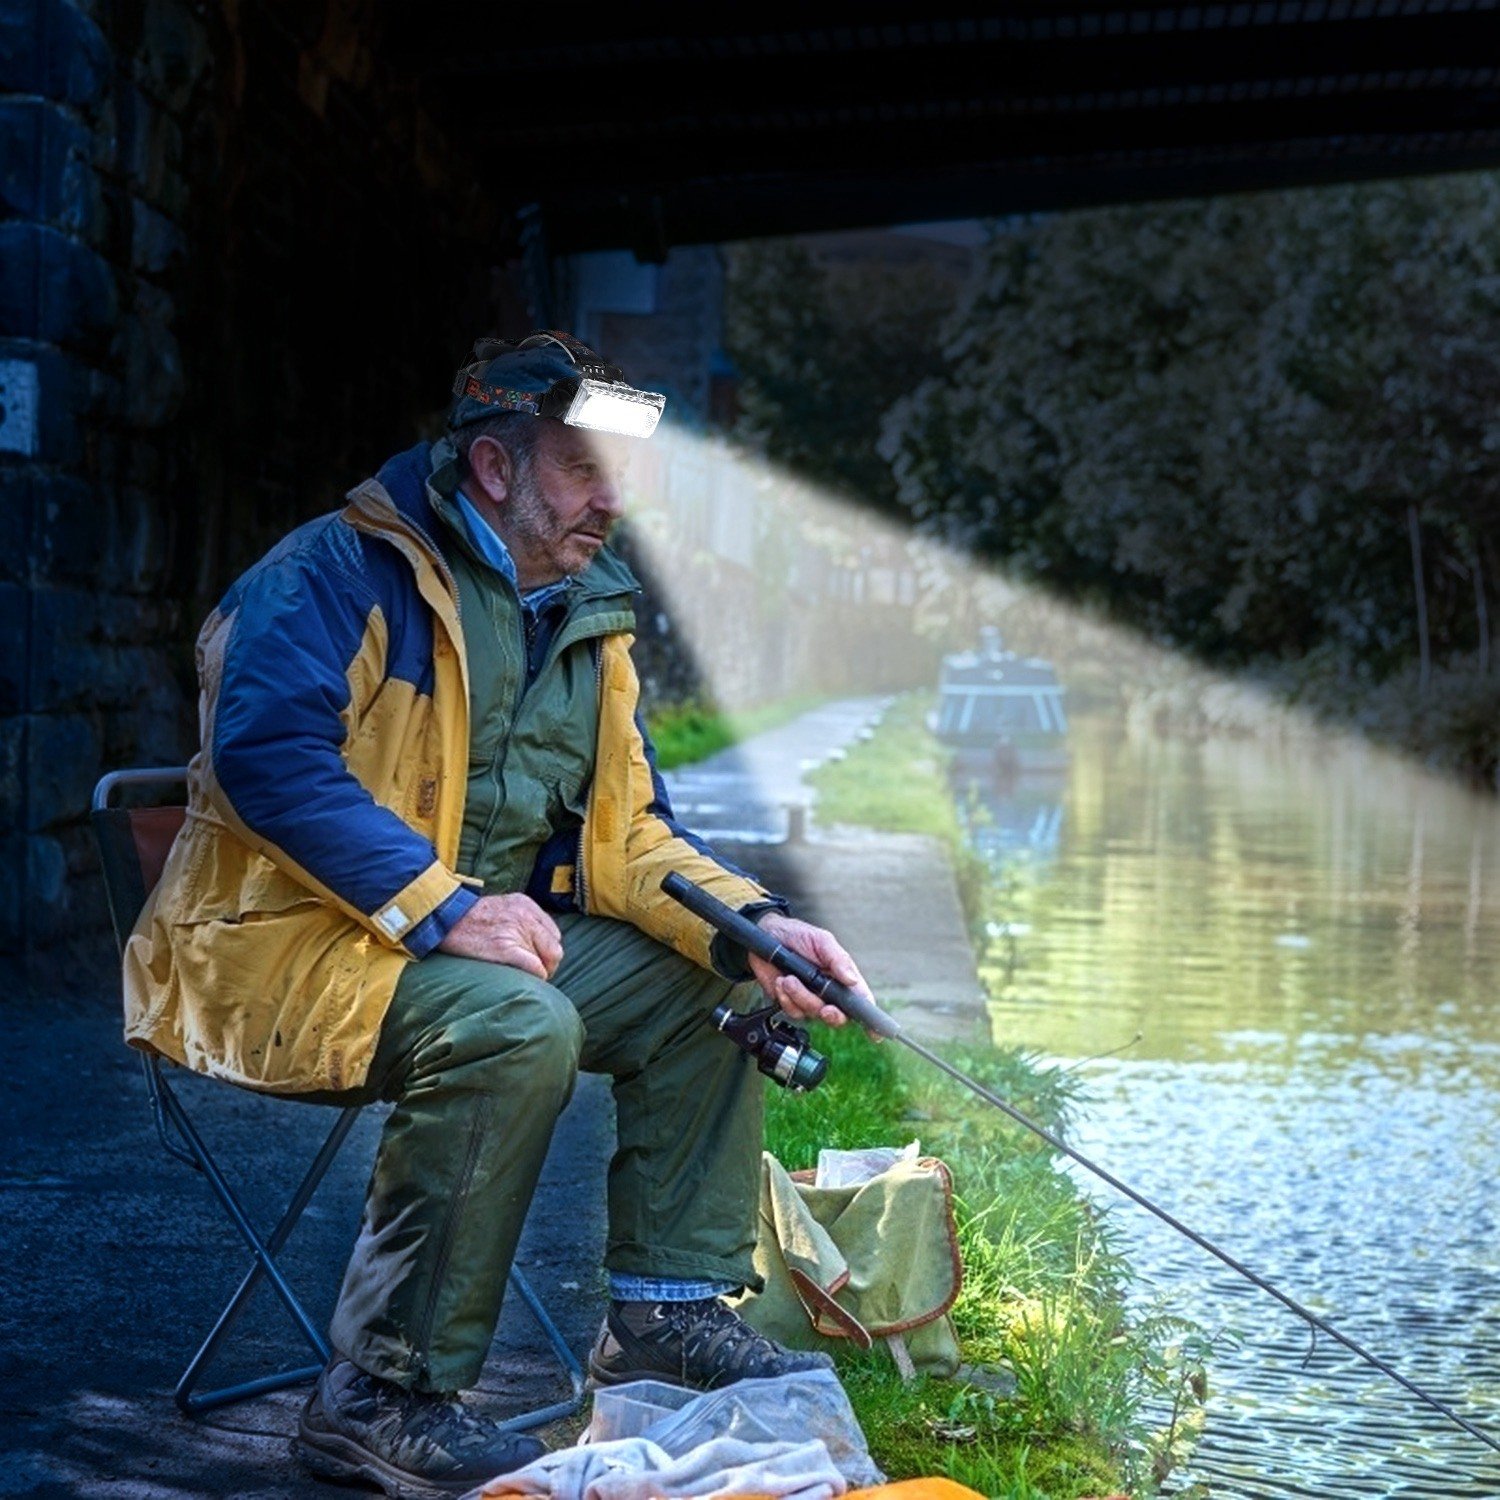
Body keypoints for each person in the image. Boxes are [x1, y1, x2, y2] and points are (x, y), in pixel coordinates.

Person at [123, 331, 873, 1499]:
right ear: (493, 467)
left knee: (710, 976)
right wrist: (444, 908)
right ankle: (382, 1394)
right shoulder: (331, 572)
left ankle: (667, 1315)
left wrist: (761, 926)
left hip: (461, 954)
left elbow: (633, 838)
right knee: (516, 1025)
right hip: (272, 956)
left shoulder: (590, 616)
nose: (613, 502)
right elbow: (267, 760)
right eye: (584, 470)